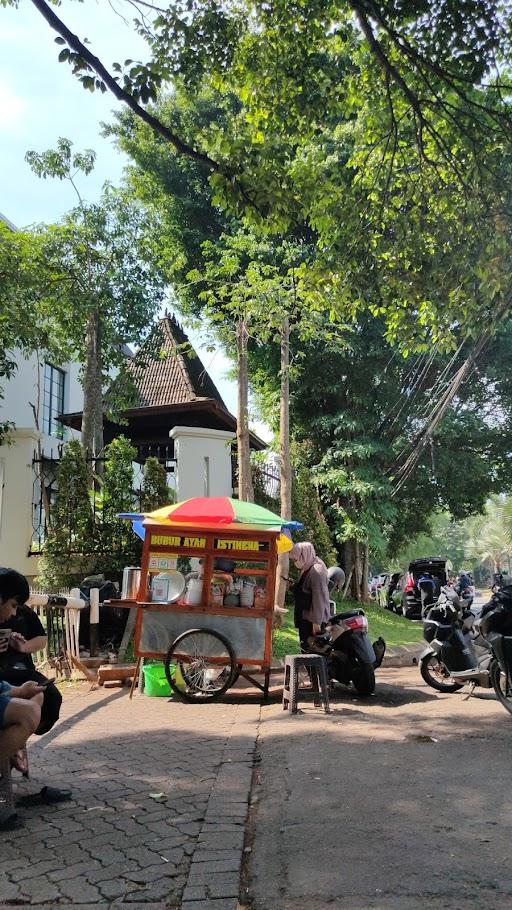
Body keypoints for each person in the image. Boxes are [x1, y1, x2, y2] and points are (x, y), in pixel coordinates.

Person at [0, 568, 62, 735]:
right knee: (29, 709)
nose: (14, 612)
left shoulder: (23, 611)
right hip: (4, 675)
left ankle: (19, 738)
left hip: (21, 670)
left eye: (17, 606)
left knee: (49, 697)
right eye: (13, 605)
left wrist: (22, 646)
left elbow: (42, 639)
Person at [290, 542, 331, 652]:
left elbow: (319, 598)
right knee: (306, 650)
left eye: (295, 559)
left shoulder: (316, 570)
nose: (295, 562)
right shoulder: (307, 566)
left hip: (312, 621)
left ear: (304, 555)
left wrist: (316, 623)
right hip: (306, 617)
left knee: (312, 653)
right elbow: (305, 589)